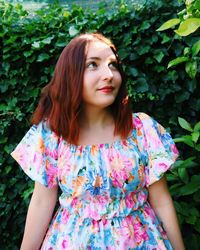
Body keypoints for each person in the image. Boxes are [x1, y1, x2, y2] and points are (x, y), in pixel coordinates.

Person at [11, 33, 185, 250]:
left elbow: (161, 200)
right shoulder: (51, 136)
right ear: (70, 75)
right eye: (93, 65)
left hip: (141, 242)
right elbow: (41, 202)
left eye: (113, 65)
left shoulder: (142, 129)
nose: (108, 74)